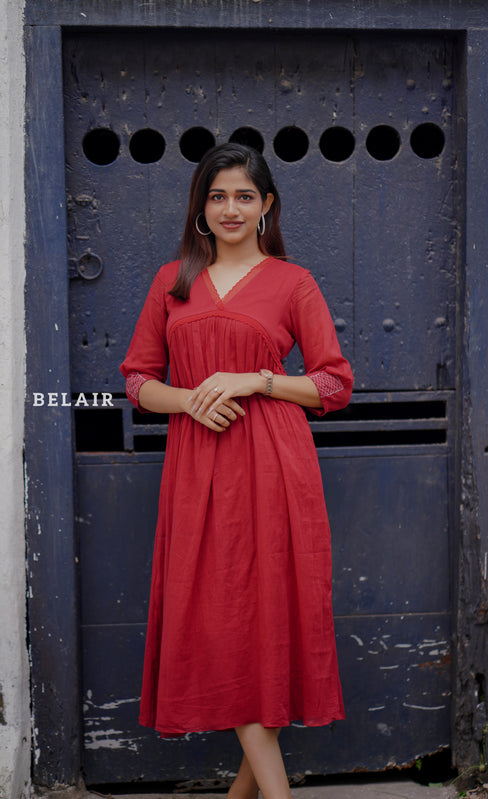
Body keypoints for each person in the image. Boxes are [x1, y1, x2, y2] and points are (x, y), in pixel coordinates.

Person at [119, 143, 354, 799]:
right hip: (197, 469)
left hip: (275, 466)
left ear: (266, 205)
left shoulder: (293, 281)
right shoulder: (173, 281)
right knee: (224, 622)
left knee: (269, 619)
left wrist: (255, 379)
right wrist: (193, 398)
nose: (230, 208)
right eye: (217, 195)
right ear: (201, 207)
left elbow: (334, 385)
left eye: (244, 196)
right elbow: (138, 379)